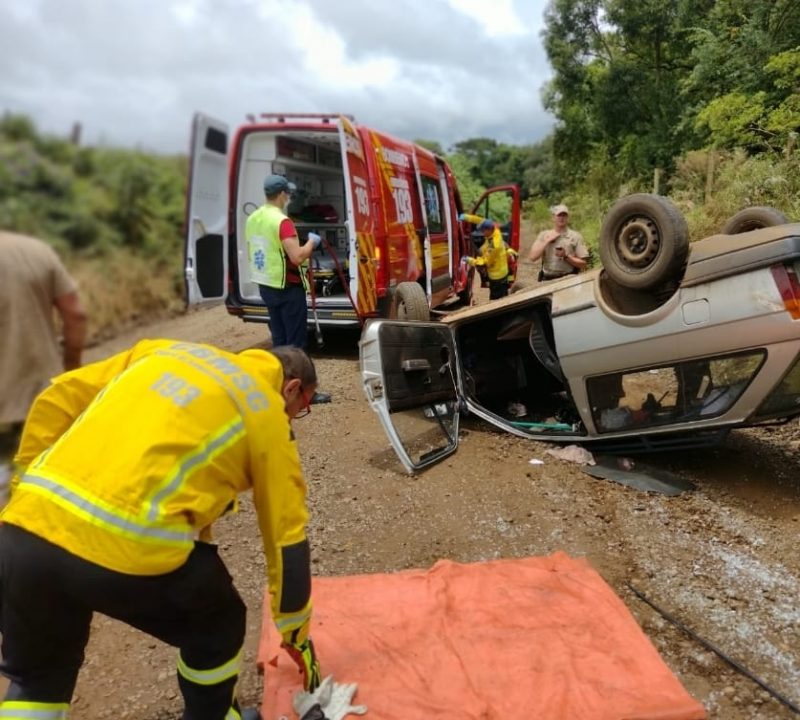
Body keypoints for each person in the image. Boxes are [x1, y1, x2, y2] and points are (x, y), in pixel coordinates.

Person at [0, 339, 324, 720]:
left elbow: (57, 396)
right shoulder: (264, 411)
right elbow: (286, 538)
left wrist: (25, 491)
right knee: (219, 623)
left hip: (24, 531)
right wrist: (296, 634)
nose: (292, 418)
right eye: (299, 409)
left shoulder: (160, 350)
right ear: (290, 388)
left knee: (41, 676)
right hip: (127, 545)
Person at [0, 231, 87, 496]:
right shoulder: (35, 250)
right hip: (44, 399)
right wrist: (69, 374)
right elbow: (76, 315)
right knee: (53, 488)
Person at [246, 174, 331, 404]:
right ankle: (304, 394)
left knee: (279, 339)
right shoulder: (282, 222)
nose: (289, 197)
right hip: (287, 287)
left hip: (266, 285)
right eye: (288, 193)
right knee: (296, 345)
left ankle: (280, 388)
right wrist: (312, 242)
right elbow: (297, 256)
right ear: (282, 194)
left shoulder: (253, 218)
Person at [458, 214, 517, 300]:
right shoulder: (495, 229)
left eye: (483, 230)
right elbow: (479, 220)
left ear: (489, 230)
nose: (481, 233)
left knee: (496, 300)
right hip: (502, 272)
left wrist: (469, 260)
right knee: (504, 297)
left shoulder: (494, 246)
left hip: (497, 277)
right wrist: (466, 217)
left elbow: (485, 262)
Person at [528, 204, 589, 282]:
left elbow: (583, 264)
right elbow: (532, 257)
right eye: (559, 215)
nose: (562, 218)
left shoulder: (575, 236)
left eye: (564, 215)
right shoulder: (544, 235)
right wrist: (547, 241)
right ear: (553, 218)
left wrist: (566, 257)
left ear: (568, 218)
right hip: (547, 279)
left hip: (569, 280)